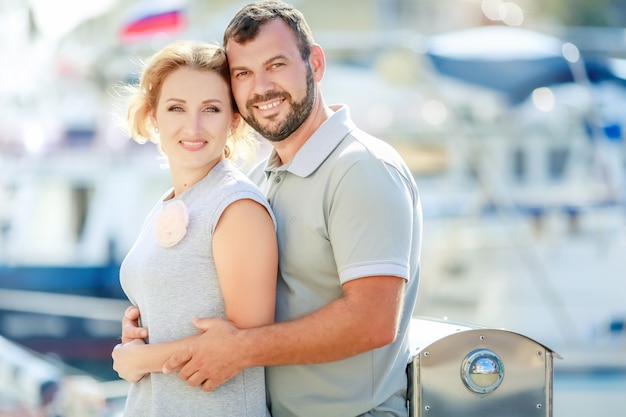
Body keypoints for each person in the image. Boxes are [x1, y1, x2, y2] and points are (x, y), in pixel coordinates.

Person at [123, 1, 423, 416]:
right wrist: (149, 334)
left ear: (314, 64)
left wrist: (238, 350)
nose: (261, 87)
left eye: (276, 65)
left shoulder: (361, 168)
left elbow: (372, 320)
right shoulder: (267, 177)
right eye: (243, 73)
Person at [112, 39, 278, 417]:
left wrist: (138, 360)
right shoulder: (173, 200)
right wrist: (140, 330)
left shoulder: (236, 207)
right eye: (176, 108)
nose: (194, 126)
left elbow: (248, 343)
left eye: (211, 109)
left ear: (234, 119)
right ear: (154, 116)